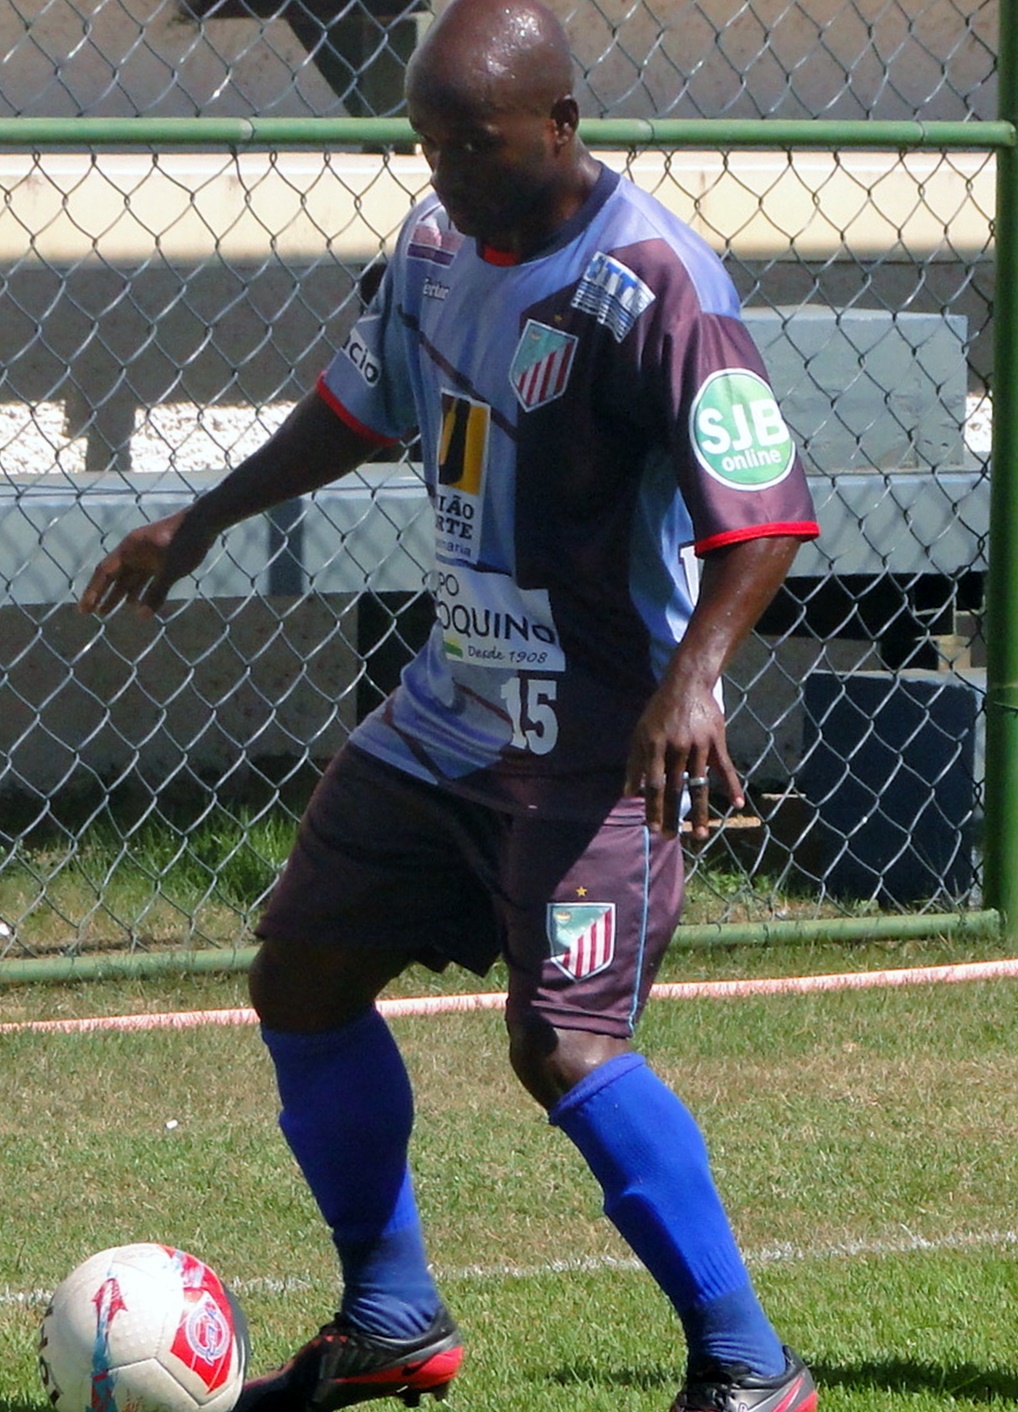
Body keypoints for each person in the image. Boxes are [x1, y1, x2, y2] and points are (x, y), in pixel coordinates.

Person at [80, 2, 819, 1409]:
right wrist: (207, 519)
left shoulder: (655, 282)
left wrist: (693, 679)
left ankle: (748, 1367)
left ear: (560, 126)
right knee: (299, 969)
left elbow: (766, 517)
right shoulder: (426, 249)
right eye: (424, 140)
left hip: (599, 746)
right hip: (448, 714)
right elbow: (361, 404)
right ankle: (392, 1312)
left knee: (563, 1048)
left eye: (469, 142)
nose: (442, 169)